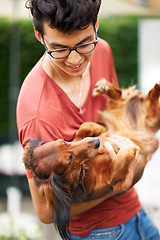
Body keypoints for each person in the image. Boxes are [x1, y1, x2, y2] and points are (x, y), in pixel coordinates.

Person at [16, 0, 160, 239]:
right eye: (59, 48)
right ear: (39, 36)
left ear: (96, 24)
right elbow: (44, 212)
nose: (74, 60)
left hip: (136, 212)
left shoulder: (102, 49)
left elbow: (115, 120)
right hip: (97, 233)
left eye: (84, 44)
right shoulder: (37, 113)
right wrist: (115, 187)